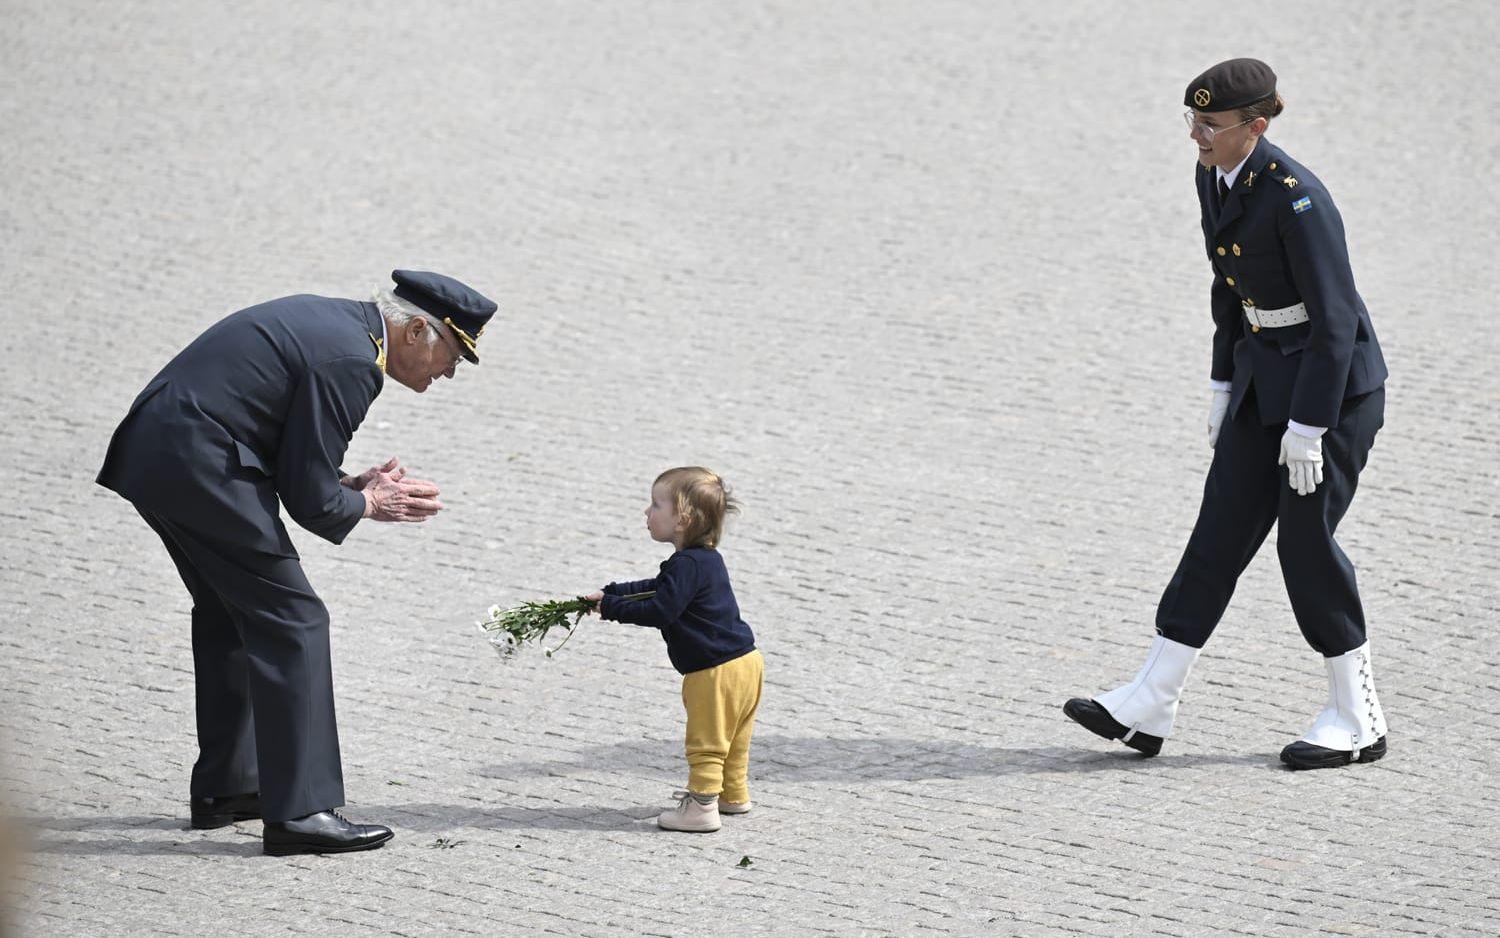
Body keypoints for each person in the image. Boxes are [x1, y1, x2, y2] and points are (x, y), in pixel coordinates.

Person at [97, 269, 498, 853]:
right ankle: (301, 813)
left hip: (163, 451)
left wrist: (350, 483)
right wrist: (367, 501)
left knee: (231, 613)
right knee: (295, 620)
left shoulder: (340, 328)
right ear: (416, 330)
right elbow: (311, 501)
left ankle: (230, 787)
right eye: (452, 355)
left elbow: (293, 456)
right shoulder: (354, 363)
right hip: (202, 464)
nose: (450, 372)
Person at [1064, 59, 1390, 770]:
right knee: (1216, 535)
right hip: (1260, 377)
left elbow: (1335, 323)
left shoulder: (1298, 199)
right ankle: (1154, 697)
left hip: (1331, 394)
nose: (1196, 137)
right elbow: (1230, 286)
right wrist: (1221, 384)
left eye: (1210, 125)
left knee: (1304, 545)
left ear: (1258, 125)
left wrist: (1309, 429)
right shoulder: (1216, 177)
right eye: (1192, 122)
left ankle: (1357, 715)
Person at [585, 467, 763, 832]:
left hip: (713, 672)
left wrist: (611, 609)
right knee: (735, 737)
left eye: (655, 505)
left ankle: (700, 807)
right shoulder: (705, 559)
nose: (646, 513)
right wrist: (614, 592)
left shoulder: (687, 565)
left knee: (707, 741)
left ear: (681, 520)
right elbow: (660, 587)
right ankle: (733, 795)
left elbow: (661, 608)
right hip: (747, 662)